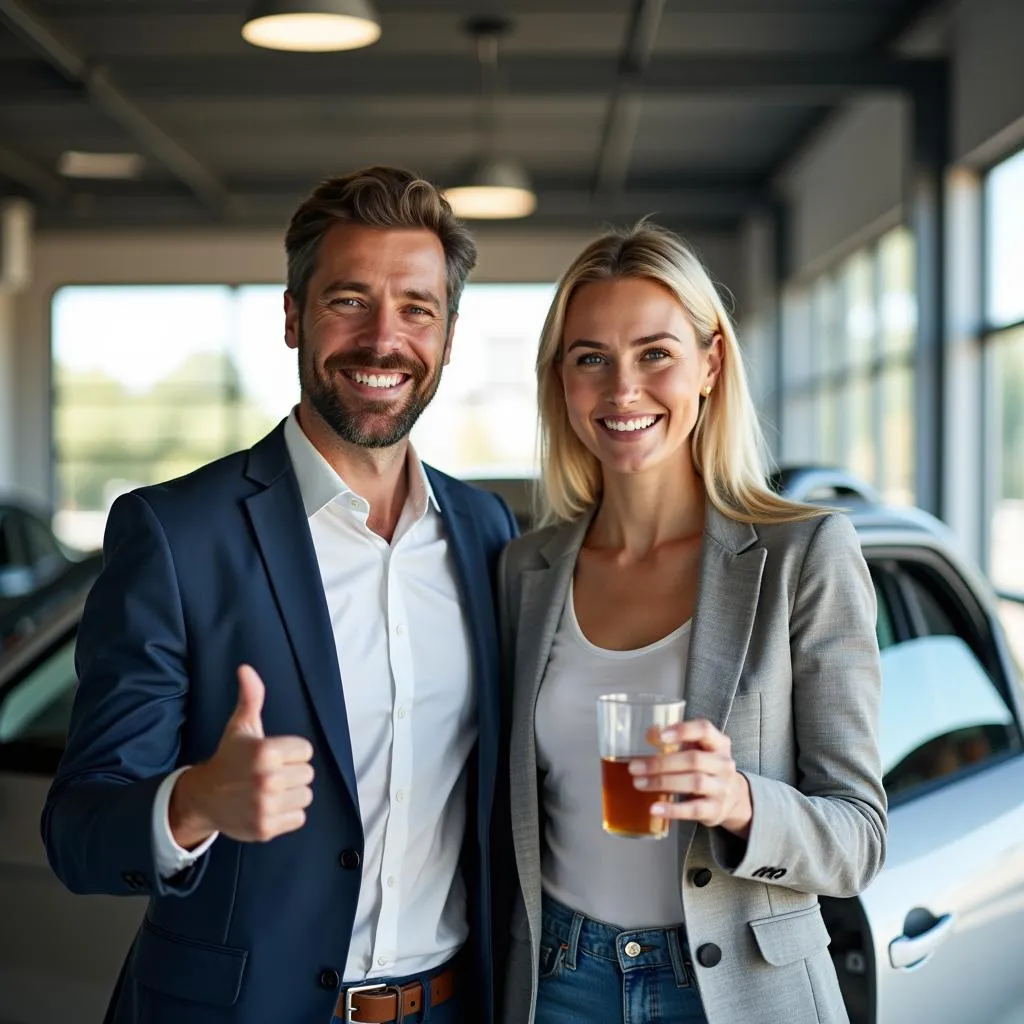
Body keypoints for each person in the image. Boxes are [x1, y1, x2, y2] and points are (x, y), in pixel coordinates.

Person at [41, 166, 518, 1024]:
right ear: (294, 317)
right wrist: (194, 803)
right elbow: (79, 833)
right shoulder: (174, 534)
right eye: (348, 300)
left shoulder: (488, 533)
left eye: (417, 307)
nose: (384, 339)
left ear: (447, 335)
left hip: (453, 1006)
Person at [498, 223, 886, 1024]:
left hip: (739, 992)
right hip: (562, 982)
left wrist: (740, 799)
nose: (622, 391)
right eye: (590, 358)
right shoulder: (524, 571)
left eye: (655, 354)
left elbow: (859, 840)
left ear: (710, 365)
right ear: (560, 381)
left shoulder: (803, 554)